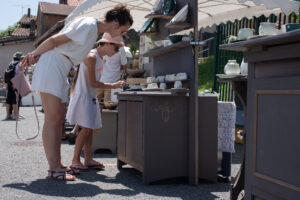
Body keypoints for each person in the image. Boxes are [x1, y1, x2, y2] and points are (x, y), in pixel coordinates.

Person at [19, 4, 133, 181]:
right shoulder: (88, 25)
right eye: (124, 31)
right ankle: (54, 168)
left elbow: (60, 44)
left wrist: (36, 55)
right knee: (54, 119)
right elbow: (55, 40)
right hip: (54, 65)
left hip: (60, 66)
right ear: (116, 24)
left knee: (57, 119)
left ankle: (56, 163)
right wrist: (33, 55)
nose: (122, 35)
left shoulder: (92, 29)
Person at [67, 33, 126, 171]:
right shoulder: (92, 57)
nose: (117, 52)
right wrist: (113, 85)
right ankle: (75, 160)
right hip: (84, 96)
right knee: (86, 128)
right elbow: (92, 83)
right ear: (107, 44)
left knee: (90, 129)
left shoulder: (100, 57)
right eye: (116, 49)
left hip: (89, 96)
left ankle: (87, 159)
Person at [4, 52, 24, 120]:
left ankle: (8, 115)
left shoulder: (10, 63)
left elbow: (8, 75)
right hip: (16, 84)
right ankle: (15, 115)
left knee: (8, 100)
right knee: (15, 100)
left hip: (9, 84)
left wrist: (7, 84)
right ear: (20, 58)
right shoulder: (19, 64)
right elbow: (20, 74)